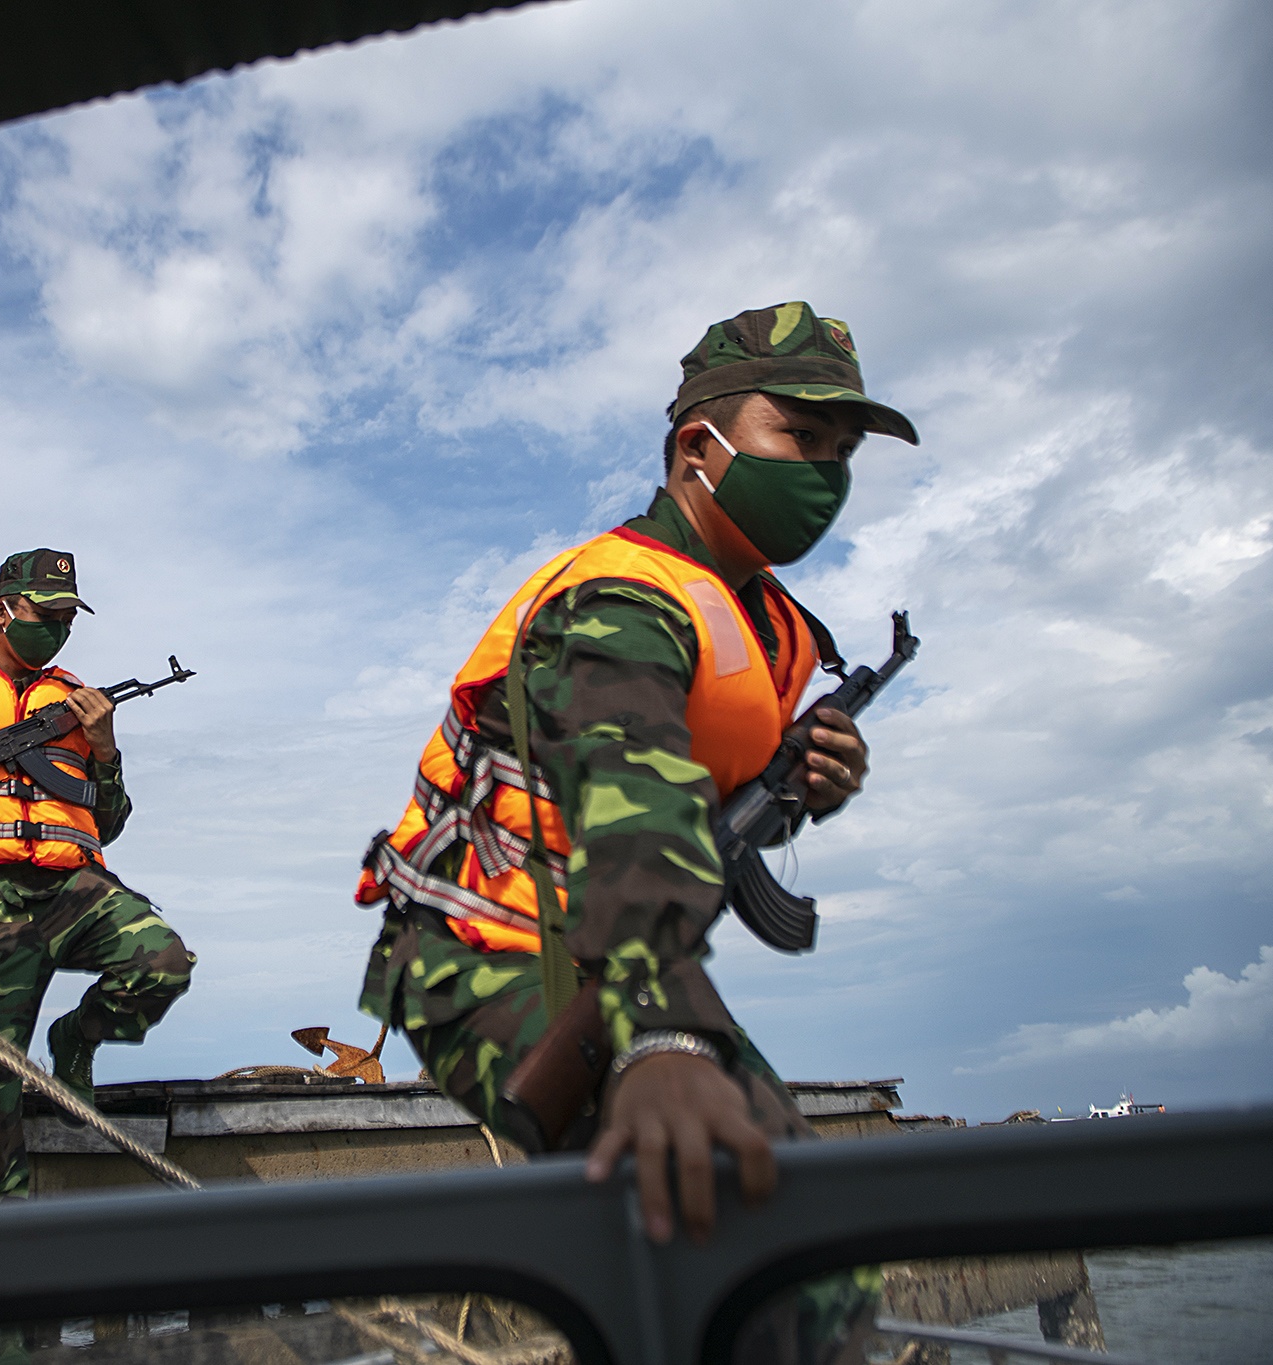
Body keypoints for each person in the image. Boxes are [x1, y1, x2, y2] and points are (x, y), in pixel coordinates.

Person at [357, 302, 915, 1246]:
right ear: (699, 446)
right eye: (800, 435)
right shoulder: (619, 598)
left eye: (844, 451)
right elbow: (635, 815)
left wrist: (801, 789)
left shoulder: (769, 624)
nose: (826, 472)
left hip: (607, 946)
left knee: (768, 1240)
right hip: (481, 952)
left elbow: (705, 812)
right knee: (764, 1238)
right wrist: (663, 1037)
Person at [0, 549, 195, 1201]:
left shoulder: (76, 702)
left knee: (162, 962)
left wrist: (105, 749)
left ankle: (75, 1036)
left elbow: (107, 822)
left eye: (67, 619)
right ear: (2, 610)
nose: (57, 629)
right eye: (45, 614)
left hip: (69, 892)